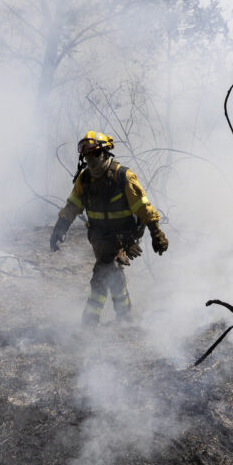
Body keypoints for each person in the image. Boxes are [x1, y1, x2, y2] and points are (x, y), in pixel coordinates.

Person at [50, 130, 169, 325]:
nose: (91, 160)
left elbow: (143, 207)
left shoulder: (123, 177)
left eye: (95, 154)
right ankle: (124, 316)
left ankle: (90, 322)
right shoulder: (84, 179)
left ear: (105, 153)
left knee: (102, 273)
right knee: (113, 274)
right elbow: (72, 206)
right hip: (99, 237)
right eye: (87, 156)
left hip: (125, 236)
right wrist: (59, 229)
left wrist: (156, 233)